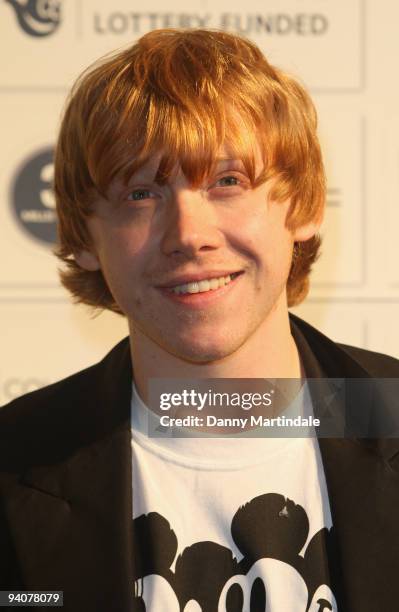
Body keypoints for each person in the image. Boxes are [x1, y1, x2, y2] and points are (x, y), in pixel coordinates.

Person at [0, 28, 398, 612]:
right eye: (141, 193)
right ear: (85, 238)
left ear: (305, 206)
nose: (189, 235)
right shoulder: (12, 463)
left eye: (228, 181)